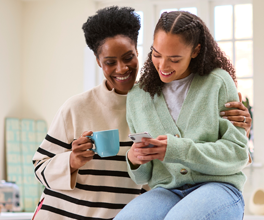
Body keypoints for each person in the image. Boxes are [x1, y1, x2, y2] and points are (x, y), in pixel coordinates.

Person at [31, 7, 252, 220]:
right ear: (98, 62)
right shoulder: (83, 106)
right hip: (67, 213)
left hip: (192, 194)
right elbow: (39, 166)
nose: (121, 68)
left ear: (137, 52)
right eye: (110, 62)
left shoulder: (209, 84)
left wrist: (242, 129)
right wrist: (74, 160)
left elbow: (237, 154)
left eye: (128, 57)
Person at [115, 11, 249, 220]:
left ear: (195, 51)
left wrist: (177, 149)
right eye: (157, 54)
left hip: (219, 187)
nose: (163, 66)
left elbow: (238, 153)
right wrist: (134, 159)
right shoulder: (138, 96)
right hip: (167, 191)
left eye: (174, 59)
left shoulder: (218, 83)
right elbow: (143, 177)